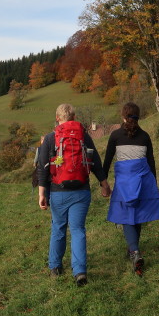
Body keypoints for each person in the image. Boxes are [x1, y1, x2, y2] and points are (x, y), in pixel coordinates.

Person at [37, 103, 111, 286]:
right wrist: (104, 185)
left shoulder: (49, 138)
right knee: (78, 230)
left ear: (57, 118)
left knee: (58, 228)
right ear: (74, 117)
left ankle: (55, 267)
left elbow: (42, 168)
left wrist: (42, 193)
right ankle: (79, 272)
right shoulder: (84, 136)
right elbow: (95, 163)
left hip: (58, 191)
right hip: (81, 191)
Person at [103, 102, 159, 276]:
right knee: (138, 214)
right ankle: (132, 249)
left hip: (123, 182)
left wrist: (103, 183)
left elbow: (107, 161)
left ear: (123, 116)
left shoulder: (115, 136)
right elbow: (151, 162)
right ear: (138, 116)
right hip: (143, 180)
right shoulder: (145, 137)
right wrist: (154, 184)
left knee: (126, 216)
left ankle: (134, 251)